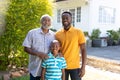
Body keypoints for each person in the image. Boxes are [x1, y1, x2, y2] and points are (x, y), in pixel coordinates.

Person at [55, 11, 87, 80]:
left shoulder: (78, 32)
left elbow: (83, 49)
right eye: (63, 18)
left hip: (75, 67)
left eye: (67, 18)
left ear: (71, 19)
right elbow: (56, 49)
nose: (65, 20)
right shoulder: (57, 34)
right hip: (62, 66)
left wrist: (83, 67)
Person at [22, 14, 55, 80]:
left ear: (51, 23)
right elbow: (26, 48)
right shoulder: (32, 33)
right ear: (41, 22)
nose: (46, 22)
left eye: (48, 21)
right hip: (35, 68)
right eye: (44, 20)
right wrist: (38, 54)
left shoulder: (54, 35)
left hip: (49, 69)